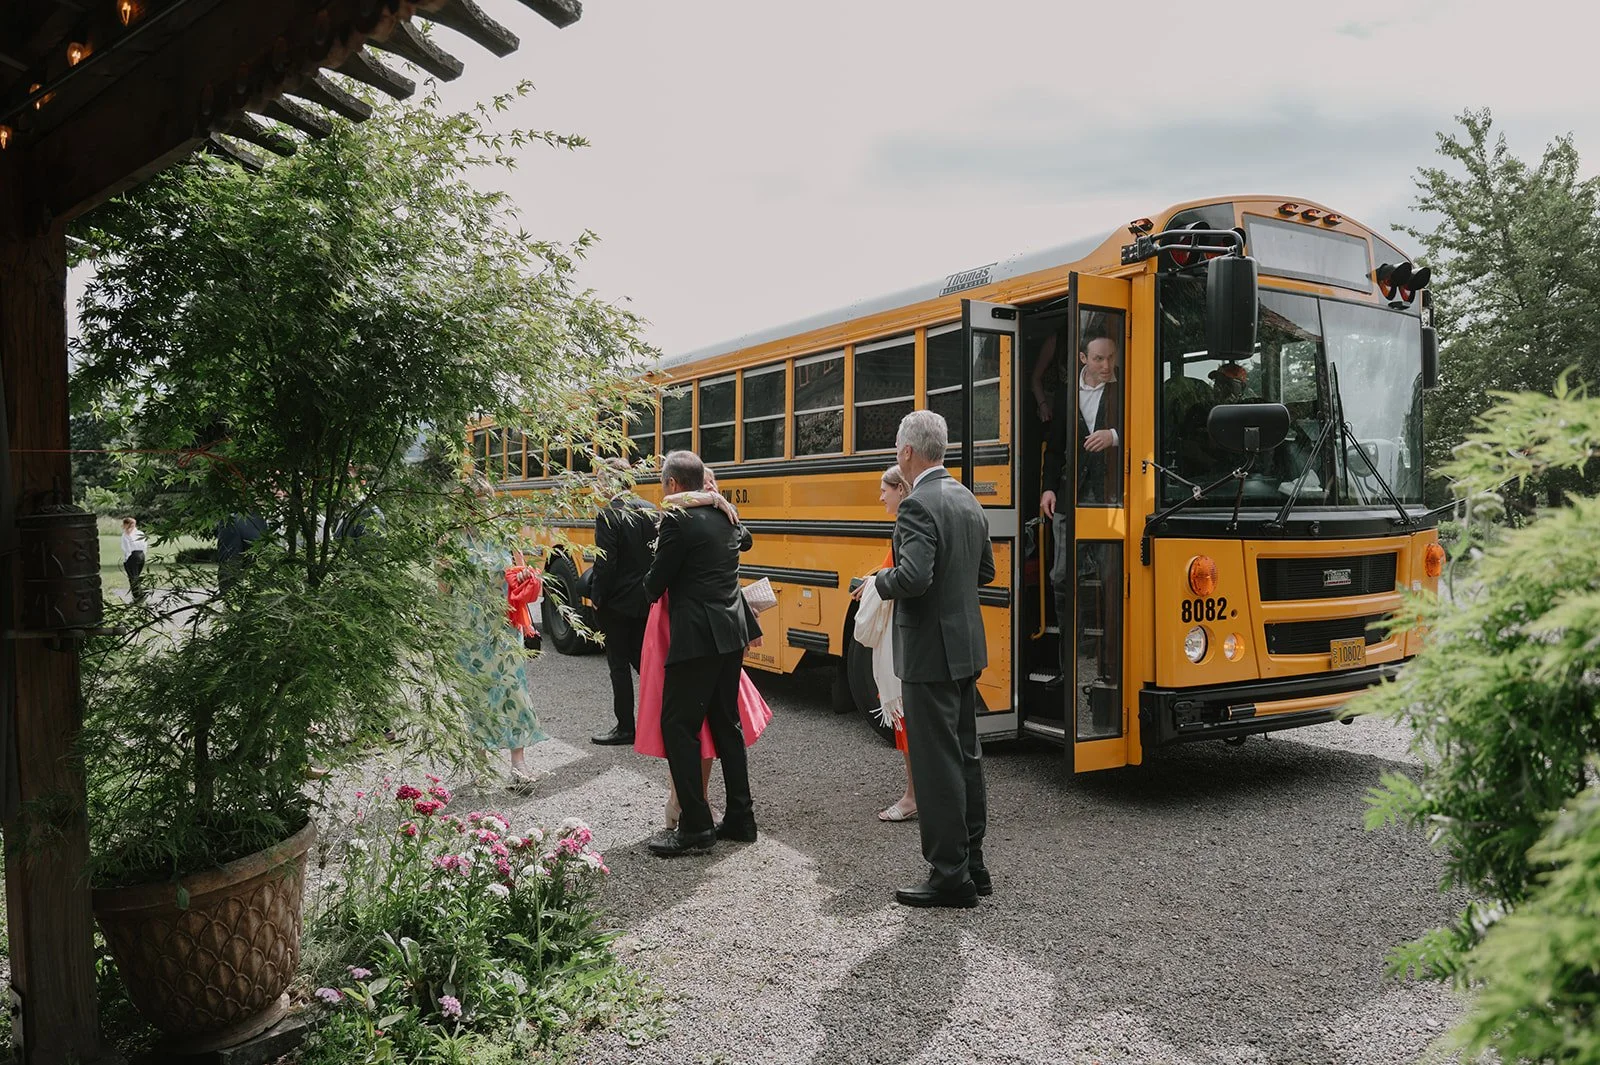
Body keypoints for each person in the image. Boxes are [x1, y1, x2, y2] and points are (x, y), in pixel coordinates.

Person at [872, 410, 995, 908]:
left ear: (906, 452)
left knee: (935, 762)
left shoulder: (917, 505)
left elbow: (913, 577)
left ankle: (949, 874)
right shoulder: (966, 498)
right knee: (965, 755)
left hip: (929, 652)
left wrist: (879, 583)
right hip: (966, 647)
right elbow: (983, 570)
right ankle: (974, 863)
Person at [642, 451, 764, 858]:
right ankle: (741, 819)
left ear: (674, 484)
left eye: (664, 485)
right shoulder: (726, 516)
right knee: (727, 726)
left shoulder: (678, 520)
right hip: (732, 635)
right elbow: (742, 540)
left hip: (695, 639)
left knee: (678, 726)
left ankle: (696, 826)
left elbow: (655, 584)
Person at [449, 482, 546, 794]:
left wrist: (524, 576)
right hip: (468, 630)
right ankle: (480, 763)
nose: (481, 507)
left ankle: (518, 764)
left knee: (513, 690)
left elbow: (523, 574)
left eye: (484, 500)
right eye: (474, 501)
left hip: (503, 630)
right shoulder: (450, 540)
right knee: (475, 696)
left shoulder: (504, 535)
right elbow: (443, 588)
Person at [1039, 335, 1122, 687]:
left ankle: (1111, 668)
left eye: (1111, 359)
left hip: (1108, 499)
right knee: (1061, 578)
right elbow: (1055, 448)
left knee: (1110, 578)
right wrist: (1047, 488)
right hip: (1070, 498)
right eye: (1100, 359)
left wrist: (1114, 436)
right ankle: (1068, 667)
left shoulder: (1124, 391)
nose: (1106, 366)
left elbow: (1146, 431)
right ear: (1083, 358)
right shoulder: (1065, 395)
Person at [850, 466, 918, 822]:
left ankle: (912, 795)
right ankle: (918, 792)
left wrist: (878, 579)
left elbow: (908, 573)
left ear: (900, 490)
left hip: (907, 636)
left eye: (884, 490)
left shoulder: (909, 521)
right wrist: (875, 576)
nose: (881, 497)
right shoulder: (908, 522)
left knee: (906, 715)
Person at [589, 457, 657, 746]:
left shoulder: (608, 515)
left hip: (617, 603)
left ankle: (626, 726)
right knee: (645, 663)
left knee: (619, 665)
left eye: (601, 480)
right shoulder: (652, 510)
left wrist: (596, 597)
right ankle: (661, 720)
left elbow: (606, 565)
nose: (598, 485)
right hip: (645, 599)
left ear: (609, 482)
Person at [120, 517, 149, 604]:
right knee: (136, 576)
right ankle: (140, 595)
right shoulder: (140, 533)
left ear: (125, 524)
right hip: (141, 555)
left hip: (132, 556)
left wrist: (126, 559)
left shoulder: (126, 535)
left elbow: (127, 548)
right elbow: (145, 546)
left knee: (132, 577)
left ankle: (138, 597)